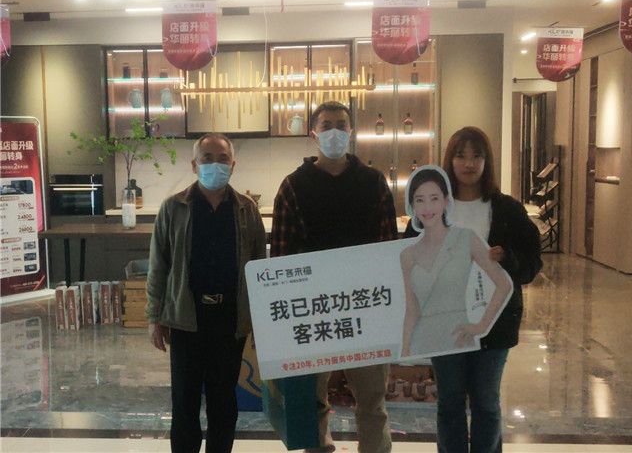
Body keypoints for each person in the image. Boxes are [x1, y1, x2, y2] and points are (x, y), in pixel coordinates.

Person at [270, 100, 397, 453]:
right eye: (326, 126)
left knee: (372, 403)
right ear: (313, 135)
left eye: (341, 125)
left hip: (366, 309)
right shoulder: (293, 186)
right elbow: (281, 257)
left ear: (351, 133)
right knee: (312, 402)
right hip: (313, 312)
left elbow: (388, 249)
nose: (334, 132)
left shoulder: (373, 182)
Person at [405, 127, 542, 453]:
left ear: (486, 161)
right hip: (442, 321)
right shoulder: (433, 207)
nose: (468, 163)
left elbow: (532, 263)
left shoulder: (506, 210)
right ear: (449, 160)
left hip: (494, 323)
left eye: (476, 156)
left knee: (486, 402)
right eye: (461, 155)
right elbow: (409, 258)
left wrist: (507, 259)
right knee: (449, 402)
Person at [146, 133, 267, 453]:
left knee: (223, 402)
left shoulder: (247, 209)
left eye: (223, 158)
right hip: (186, 318)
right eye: (207, 158)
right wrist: (154, 317)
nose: (215, 164)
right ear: (194, 165)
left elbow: (259, 267)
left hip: (230, 319)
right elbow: (158, 265)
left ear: (233, 164)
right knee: (184, 402)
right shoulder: (173, 208)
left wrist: (259, 320)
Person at [400, 166, 512, 358]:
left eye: (434, 199)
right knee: (443, 380)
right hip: (423, 339)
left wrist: (481, 326)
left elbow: (504, 284)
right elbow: (412, 308)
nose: (427, 207)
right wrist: (405, 349)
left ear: (446, 201)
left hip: (458, 335)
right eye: (420, 200)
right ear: (412, 205)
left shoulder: (466, 238)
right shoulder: (407, 254)